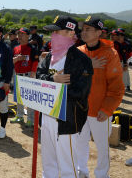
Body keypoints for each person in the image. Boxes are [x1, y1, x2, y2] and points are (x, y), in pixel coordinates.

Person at [36, 15, 93, 178]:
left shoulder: (81, 60)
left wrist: (58, 90)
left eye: (57, 32)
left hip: (66, 119)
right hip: (47, 117)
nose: (53, 36)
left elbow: (82, 92)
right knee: (48, 161)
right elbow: (39, 77)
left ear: (70, 33)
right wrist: (52, 80)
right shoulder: (49, 56)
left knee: (68, 166)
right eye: (52, 33)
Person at [77, 17, 124, 178]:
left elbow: (116, 87)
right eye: (83, 29)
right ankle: (81, 171)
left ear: (99, 33)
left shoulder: (110, 54)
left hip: (100, 111)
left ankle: (102, 175)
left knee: (102, 147)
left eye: (88, 29)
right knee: (80, 143)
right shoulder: (79, 51)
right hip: (81, 108)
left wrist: (107, 109)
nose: (83, 32)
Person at [10, 28, 39, 127]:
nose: (20, 36)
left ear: (28, 36)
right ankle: (20, 116)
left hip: (28, 74)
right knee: (19, 97)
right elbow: (11, 62)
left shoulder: (32, 48)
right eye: (19, 34)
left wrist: (33, 72)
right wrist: (17, 59)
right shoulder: (16, 48)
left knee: (30, 98)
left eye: (22, 34)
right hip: (18, 75)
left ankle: (30, 119)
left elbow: (35, 61)